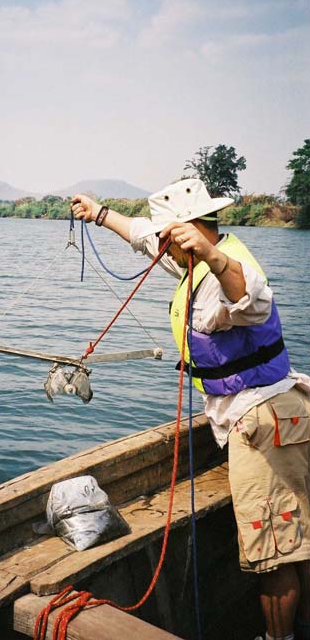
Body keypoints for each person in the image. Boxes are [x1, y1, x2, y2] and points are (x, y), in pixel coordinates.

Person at [71, 178, 310, 640]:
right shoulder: (190, 260)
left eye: (169, 237)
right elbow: (143, 235)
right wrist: (99, 214)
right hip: (279, 414)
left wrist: (213, 256)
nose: (161, 247)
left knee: (275, 551)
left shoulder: (225, 268)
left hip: (262, 421)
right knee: (298, 540)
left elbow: (251, 300)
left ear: (192, 232)